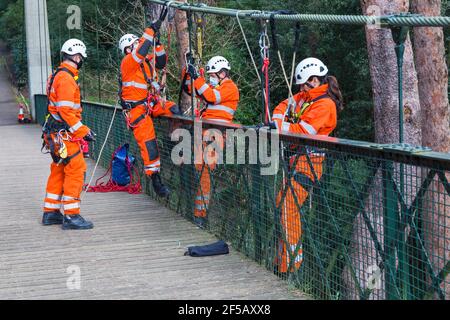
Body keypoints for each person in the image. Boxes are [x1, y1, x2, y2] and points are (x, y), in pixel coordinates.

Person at [272, 57, 343, 273]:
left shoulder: (325, 104)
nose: (301, 89)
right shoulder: (306, 98)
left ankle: (291, 264)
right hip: (297, 160)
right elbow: (282, 106)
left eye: (304, 84)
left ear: (313, 80)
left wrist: (277, 126)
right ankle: (283, 259)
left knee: (289, 206)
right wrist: (277, 122)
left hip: (310, 163)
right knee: (281, 203)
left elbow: (303, 132)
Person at [118, 20, 181, 197]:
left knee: (173, 109)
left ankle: (177, 137)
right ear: (129, 49)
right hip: (136, 111)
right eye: (135, 44)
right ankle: (155, 180)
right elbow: (142, 49)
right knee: (149, 144)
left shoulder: (145, 62)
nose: (139, 45)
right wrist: (150, 30)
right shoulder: (128, 63)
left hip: (149, 103)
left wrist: (158, 43)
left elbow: (160, 62)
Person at [41, 39, 94, 230]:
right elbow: (66, 111)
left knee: (58, 170)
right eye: (81, 57)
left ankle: (51, 211)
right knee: (76, 169)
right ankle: (71, 216)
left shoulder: (57, 75)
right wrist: (83, 131)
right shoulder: (66, 79)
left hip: (54, 134)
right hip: (63, 135)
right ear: (77, 56)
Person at [184, 56, 240, 228]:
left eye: (213, 74)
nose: (211, 78)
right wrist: (188, 71)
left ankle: (200, 215)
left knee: (205, 173)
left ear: (222, 73)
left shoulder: (229, 87)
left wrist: (197, 77)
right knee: (200, 171)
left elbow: (210, 96)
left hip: (216, 135)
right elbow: (190, 90)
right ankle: (199, 213)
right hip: (207, 133)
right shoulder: (216, 87)